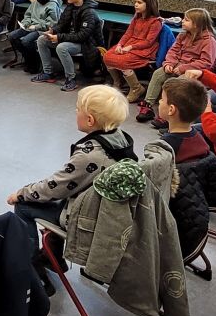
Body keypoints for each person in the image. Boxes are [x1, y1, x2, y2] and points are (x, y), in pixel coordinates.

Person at [8, 85, 135, 295]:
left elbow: (54, 187)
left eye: (78, 109)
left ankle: (32, 269)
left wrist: (21, 193)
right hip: (105, 210)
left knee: (24, 206)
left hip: (85, 219)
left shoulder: (89, 155)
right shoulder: (121, 139)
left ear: (90, 120)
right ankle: (52, 256)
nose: (75, 112)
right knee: (56, 201)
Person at [137, 8, 216, 127]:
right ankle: (148, 105)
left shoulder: (209, 41)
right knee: (158, 74)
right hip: (176, 66)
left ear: (196, 24)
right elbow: (173, 51)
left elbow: (206, 62)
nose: (182, 21)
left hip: (195, 72)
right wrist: (169, 63)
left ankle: (170, 115)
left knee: (178, 84)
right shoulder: (183, 35)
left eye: (186, 20)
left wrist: (183, 68)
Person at [32, 0, 103, 92]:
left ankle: (71, 79)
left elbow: (82, 36)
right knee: (42, 39)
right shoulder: (70, 7)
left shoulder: (89, 12)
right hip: (70, 39)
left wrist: (59, 37)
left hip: (86, 44)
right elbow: (61, 24)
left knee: (62, 47)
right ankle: (48, 73)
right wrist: (52, 31)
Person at [103, 0, 162, 103]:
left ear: (149, 4)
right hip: (129, 45)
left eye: (139, 2)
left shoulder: (156, 22)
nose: (135, 5)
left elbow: (148, 42)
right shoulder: (136, 18)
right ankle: (118, 82)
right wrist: (120, 44)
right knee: (107, 56)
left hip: (144, 49)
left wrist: (131, 47)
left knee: (123, 61)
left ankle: (136, 88)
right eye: (135, 2)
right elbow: (128, 34)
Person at [5, 0, 60, 73]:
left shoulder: (52, 5)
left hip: (41, 30)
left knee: (26, 41)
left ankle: (35, 63)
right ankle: (27, 58)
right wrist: (26, 23)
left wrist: (35, 27)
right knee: (12, 36)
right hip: (30, 27)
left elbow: (51, 23)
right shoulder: (36, 1)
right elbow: (28, 14)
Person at [157, 78, 211, 163]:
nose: (159, 101)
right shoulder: (200, 138)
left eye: (162, 99)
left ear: (171, 109)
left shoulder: (164, 145)